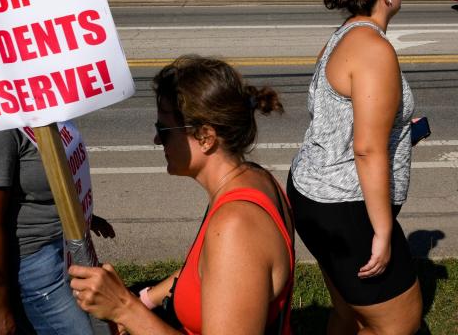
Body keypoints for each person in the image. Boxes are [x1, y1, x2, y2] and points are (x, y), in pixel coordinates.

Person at [68, 56, 295, 335]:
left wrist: (125, 309)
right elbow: (207, 272)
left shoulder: (236, 226)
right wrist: (146, 299)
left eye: (163, 131)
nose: (156, 140)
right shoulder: (254, 178)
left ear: (205, 137)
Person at [288, 0, 423, 335]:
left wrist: (399, 127)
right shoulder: (374, 49)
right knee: (400, 325)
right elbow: (366, 148)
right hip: (347, 205)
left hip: (311, 192)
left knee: (350, 314)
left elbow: (339, 117)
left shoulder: (343, 34)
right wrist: (381, 231)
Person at [0, 124, 115, 335]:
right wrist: (1, 306)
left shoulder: (46, 112)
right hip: (26, 264)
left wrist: (85, 215)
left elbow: (56, 181)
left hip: (60, 249)